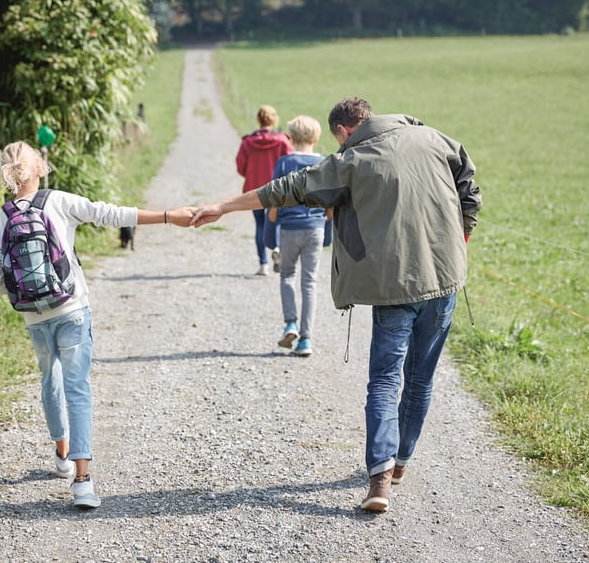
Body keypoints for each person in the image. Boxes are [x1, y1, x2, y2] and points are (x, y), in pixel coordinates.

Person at [192, 97, 482, 513]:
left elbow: (286, 189)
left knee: (384, 380)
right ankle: (401, 462)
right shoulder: (435, 138)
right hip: (445, 281)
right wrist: (459, 241)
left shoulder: (352, 159)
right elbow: (470, 191)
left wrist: (223, 206)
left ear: (344, 132)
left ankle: (379, 481)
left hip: (393, 287)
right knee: (419, 379)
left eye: (338, 141)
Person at [0, 141, 194, 509]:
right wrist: (167, 215)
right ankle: (82, 482)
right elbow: (109, 214)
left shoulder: (0, 220)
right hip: (72, 307)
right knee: (76, 387)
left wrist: (26, 289)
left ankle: (62, 454)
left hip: (35, 316)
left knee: (49, 377)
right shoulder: (59, 202)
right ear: (40, 169)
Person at [267, 115, 332, 357]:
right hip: (315, 227)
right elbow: (331, 200)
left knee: (287, 275)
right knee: (310, 282)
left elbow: (274, 196)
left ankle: (290, 323)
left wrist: (272, 217)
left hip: (289, 228)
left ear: (291, 138)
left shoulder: (284, 163)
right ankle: (306, 340)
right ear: (316, 138)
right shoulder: (325, 164)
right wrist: (327, 217)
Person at [235, 105, 292, 275]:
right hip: (278, 190)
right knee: (278, 222)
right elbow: (290, 164)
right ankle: (277, 248)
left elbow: (240, 166)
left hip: (255, 190)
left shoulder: (247, 142)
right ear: (274, 120)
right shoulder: (282, 141)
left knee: (260, 225)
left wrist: (251, 174)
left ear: (258, 119)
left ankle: (263, 264)